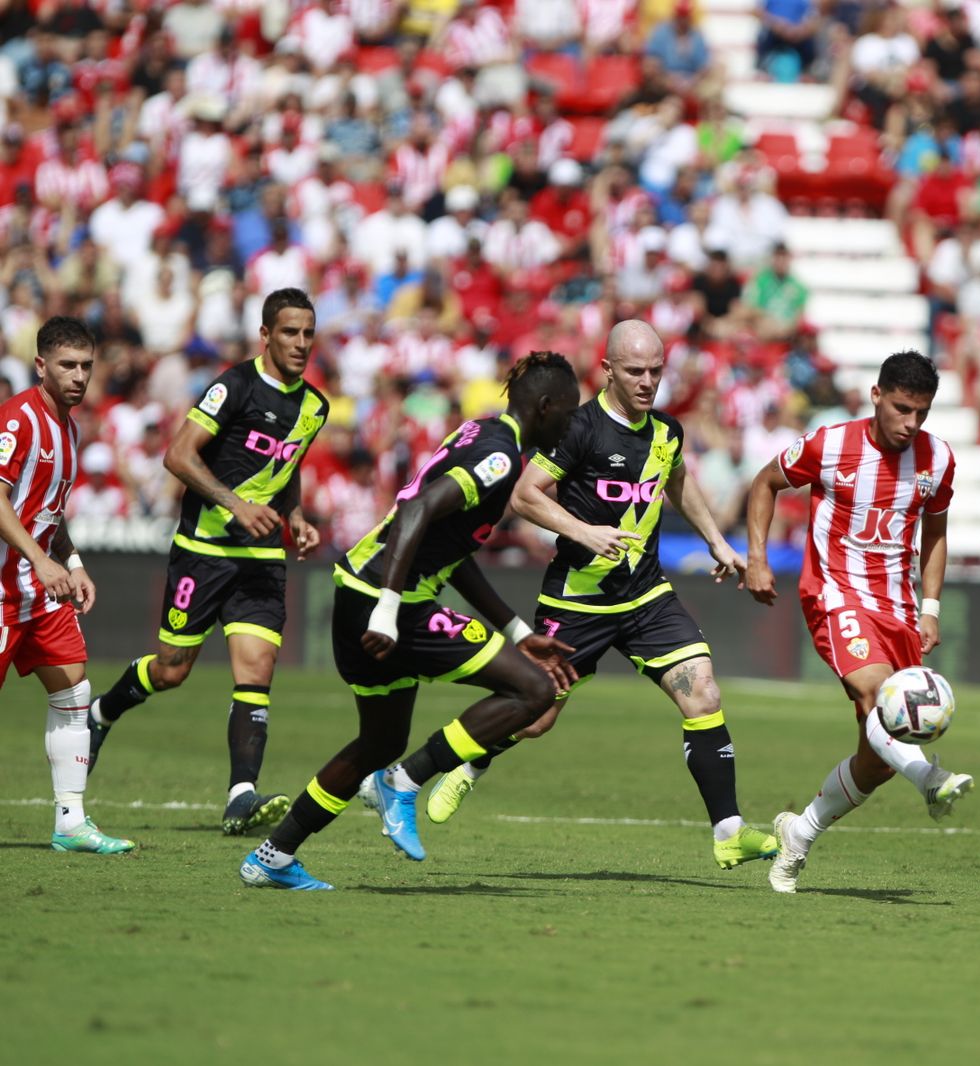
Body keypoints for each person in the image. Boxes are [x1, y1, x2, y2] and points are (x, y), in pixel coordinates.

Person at [423, 320, 779, 871]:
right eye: (635, 371)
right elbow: (524, 496)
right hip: (577, 601)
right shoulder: (578, 429)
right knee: (536, 716)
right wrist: (584, 533)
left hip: (645, 597)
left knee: (703, 694)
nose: (647, 382)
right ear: (607, 370)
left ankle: (728, 831)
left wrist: (717, 542)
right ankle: (470, 765)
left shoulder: (667, 432)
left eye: (656, 371)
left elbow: (677, 481)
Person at [240, 352, 582, 890]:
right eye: (569, 411)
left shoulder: (480, 431)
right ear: (544, 407)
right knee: (535, 691)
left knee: (378, 739)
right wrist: (390, 608)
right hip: (386, 604)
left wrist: (517, 632)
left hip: (360, 590)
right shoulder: (499, 460)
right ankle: (403, 782)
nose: (571, 423)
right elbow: (416, 511)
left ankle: (273, 856)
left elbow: (449, 547)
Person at [87, 289, 328, 837]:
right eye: (289, 332)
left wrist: (296, 517)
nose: (300, 343)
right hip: (205, 551)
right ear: (265, 335)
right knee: (172, 669)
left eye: (308, 333)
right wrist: (236, 504)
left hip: (261, 558)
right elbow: (178, 454)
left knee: (257, 672)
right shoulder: (234, 385)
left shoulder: (316, 406)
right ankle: (101, 713)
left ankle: (241, 795)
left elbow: (284, 469)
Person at [745, 351, 973, 893]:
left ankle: (797, 835)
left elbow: (934, 534)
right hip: (834, 593)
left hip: (896, 608)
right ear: (876, 395)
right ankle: (931, 777)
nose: (910, 423)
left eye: (921, 412)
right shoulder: (831, 445)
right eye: (901, 408)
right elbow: (764, 483)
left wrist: (931, 607)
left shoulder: (937, 460)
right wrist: (756, 557)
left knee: (876, 764)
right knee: (876, 696)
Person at [0, 316, 134, 853]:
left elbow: (47, 513)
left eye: (86, 366)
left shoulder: (70, 427)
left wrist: (71, 560)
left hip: (39, 588)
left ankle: (70, 821)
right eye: (67, 365)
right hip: (6, 587)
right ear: (41, 365)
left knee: (74, 691)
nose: (78, 376)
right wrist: (41, 558)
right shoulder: (18, 419)